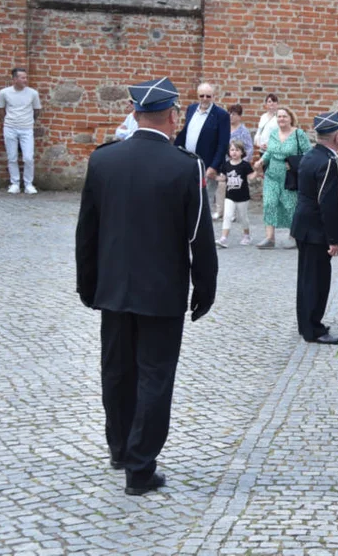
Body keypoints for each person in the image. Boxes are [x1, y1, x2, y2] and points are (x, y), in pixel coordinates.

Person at [74, 76, 217, 496]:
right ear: (172, 118)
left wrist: (88, 285)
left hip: (114, 289)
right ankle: (139, 467)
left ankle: (120, 448)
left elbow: (87, 233)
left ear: (135, 115)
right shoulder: (184, 165)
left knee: (117, 371)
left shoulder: (104, 161)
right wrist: (204, 288)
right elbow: (198, 236)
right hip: (162, 293)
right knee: (154, 376)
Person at [290, 112, 338, 345]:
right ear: (335, 135)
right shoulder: (329, 162)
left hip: (304, 224)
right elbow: (329, 203)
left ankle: (306, 322)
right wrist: (333, 238)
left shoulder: (311, 156)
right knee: (317, 280)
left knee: (306, 278)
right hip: (316, 229)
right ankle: (313, 328)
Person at [253, 107, 310, 249]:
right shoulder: (273, 134)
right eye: (279, 117)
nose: (281, 119)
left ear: (290, 118)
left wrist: (294, 164)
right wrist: (261, 161)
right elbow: (269, 152)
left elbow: (308, 154)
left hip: (289, 177)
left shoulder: (299, 134)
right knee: (269, 203)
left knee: (291, 206)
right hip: (272, 175)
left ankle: (294, 236)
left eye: (284, 116)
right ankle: (270, 238)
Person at [175, 82, 231, 217]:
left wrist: (214, 166)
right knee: (188, 196)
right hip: (188, 160)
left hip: (207, 163)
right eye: (202, 95)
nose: (205, 99)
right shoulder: (191, 109)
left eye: (208, 96)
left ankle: (204, 229)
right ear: (197, 95)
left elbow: (223, 144)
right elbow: (185, 132)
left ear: (213, 96)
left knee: (204, 200)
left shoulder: (221, 115)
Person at [0, 67, 42, 194]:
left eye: (26, 77)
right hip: (10, 127)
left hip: (27, 128)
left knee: (28, 157)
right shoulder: (4, 93)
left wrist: (29, 121)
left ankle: (29, 184)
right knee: (12, 157)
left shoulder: (33, 93)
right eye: (22, 78)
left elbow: (37, 110)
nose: (25, 80)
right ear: (15, 79)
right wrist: (8, 120)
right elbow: (0, 109)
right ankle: (15, 183)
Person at [214, 104, 254, 218]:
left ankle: (233, 213)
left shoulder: (243, 131)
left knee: (235, 188)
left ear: (239, 116)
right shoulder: (223, 128)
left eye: (234, 114)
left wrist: (242, 163)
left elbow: (249, 149)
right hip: (224, 163)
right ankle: (220, 210)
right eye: (229, 113)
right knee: (221, 186)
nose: (231, 116)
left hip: (237, 164)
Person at [215, 141, 257, 248]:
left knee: (243, 218)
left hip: (243, 197)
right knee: (227, 216)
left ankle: (246, 235)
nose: (234, 152)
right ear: (229, 152)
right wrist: (213, 177)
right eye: (232, 150)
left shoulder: (245, 165)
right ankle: (224, 238)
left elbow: (251, 177)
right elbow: (223, 178)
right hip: (230, 196)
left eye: (237, 150)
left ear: (242, 152)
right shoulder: (226, 165)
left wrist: (257, 171)